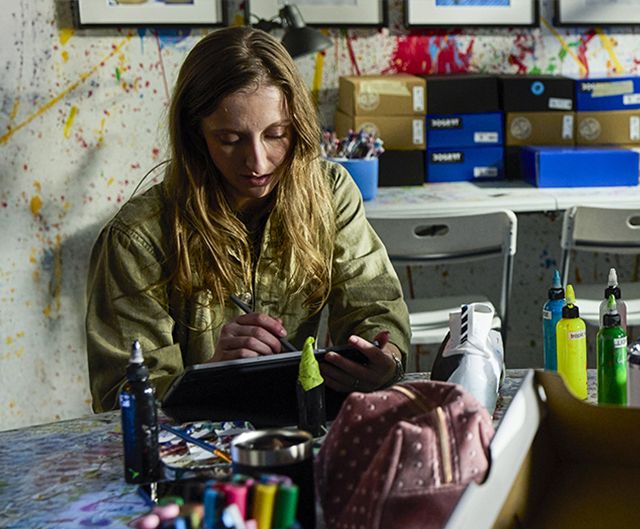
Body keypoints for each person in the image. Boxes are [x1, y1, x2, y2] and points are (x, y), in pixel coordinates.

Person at [86, 27, 411, 411]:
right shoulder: (136, 238)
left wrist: (382, 361)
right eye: (229, 139)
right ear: (196, 135)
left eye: (276, 134)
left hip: (299, 428)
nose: (257, 162)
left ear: (299, 127)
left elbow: (374, 305)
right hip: (191, 451)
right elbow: (120, 395)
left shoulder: (330, 193)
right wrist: (210, 373)